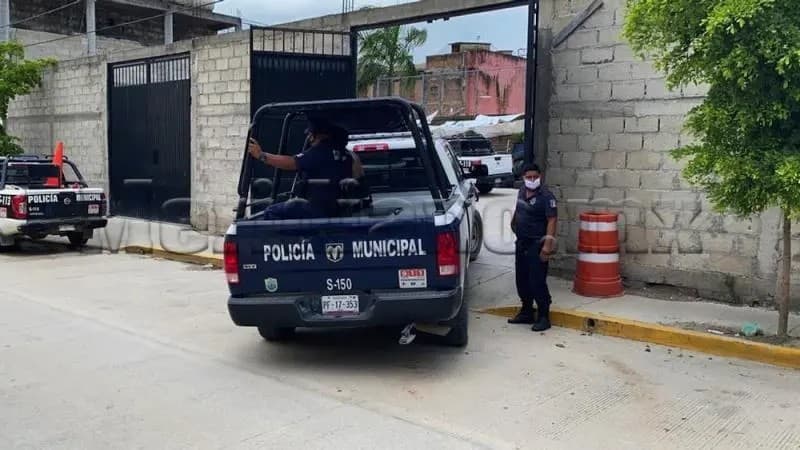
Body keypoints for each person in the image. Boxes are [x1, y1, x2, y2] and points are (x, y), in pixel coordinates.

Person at [247, 117, 353, 220]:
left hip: (318, 207)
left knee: (271, 212)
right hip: (334, 207)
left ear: (319, 135)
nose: (310, 139)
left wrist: (261, 155)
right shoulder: (345, 155)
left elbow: (291, 163)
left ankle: (291, 238)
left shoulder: (320, 152)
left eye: (311, 134)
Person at [508, 163, 558, 332]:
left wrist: (547, 246)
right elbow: (518, 208)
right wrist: (513, 223)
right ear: (523, 178)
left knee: (537, 281)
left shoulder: (546, 196)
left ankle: (544, 316)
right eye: (528, 177)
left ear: (540, 176)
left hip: (538, 244)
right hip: (522, 242)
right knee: (521, 279)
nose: (532, 180)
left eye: (535, 177)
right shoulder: (522, 191)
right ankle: (527, 311)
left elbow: (552, 220)